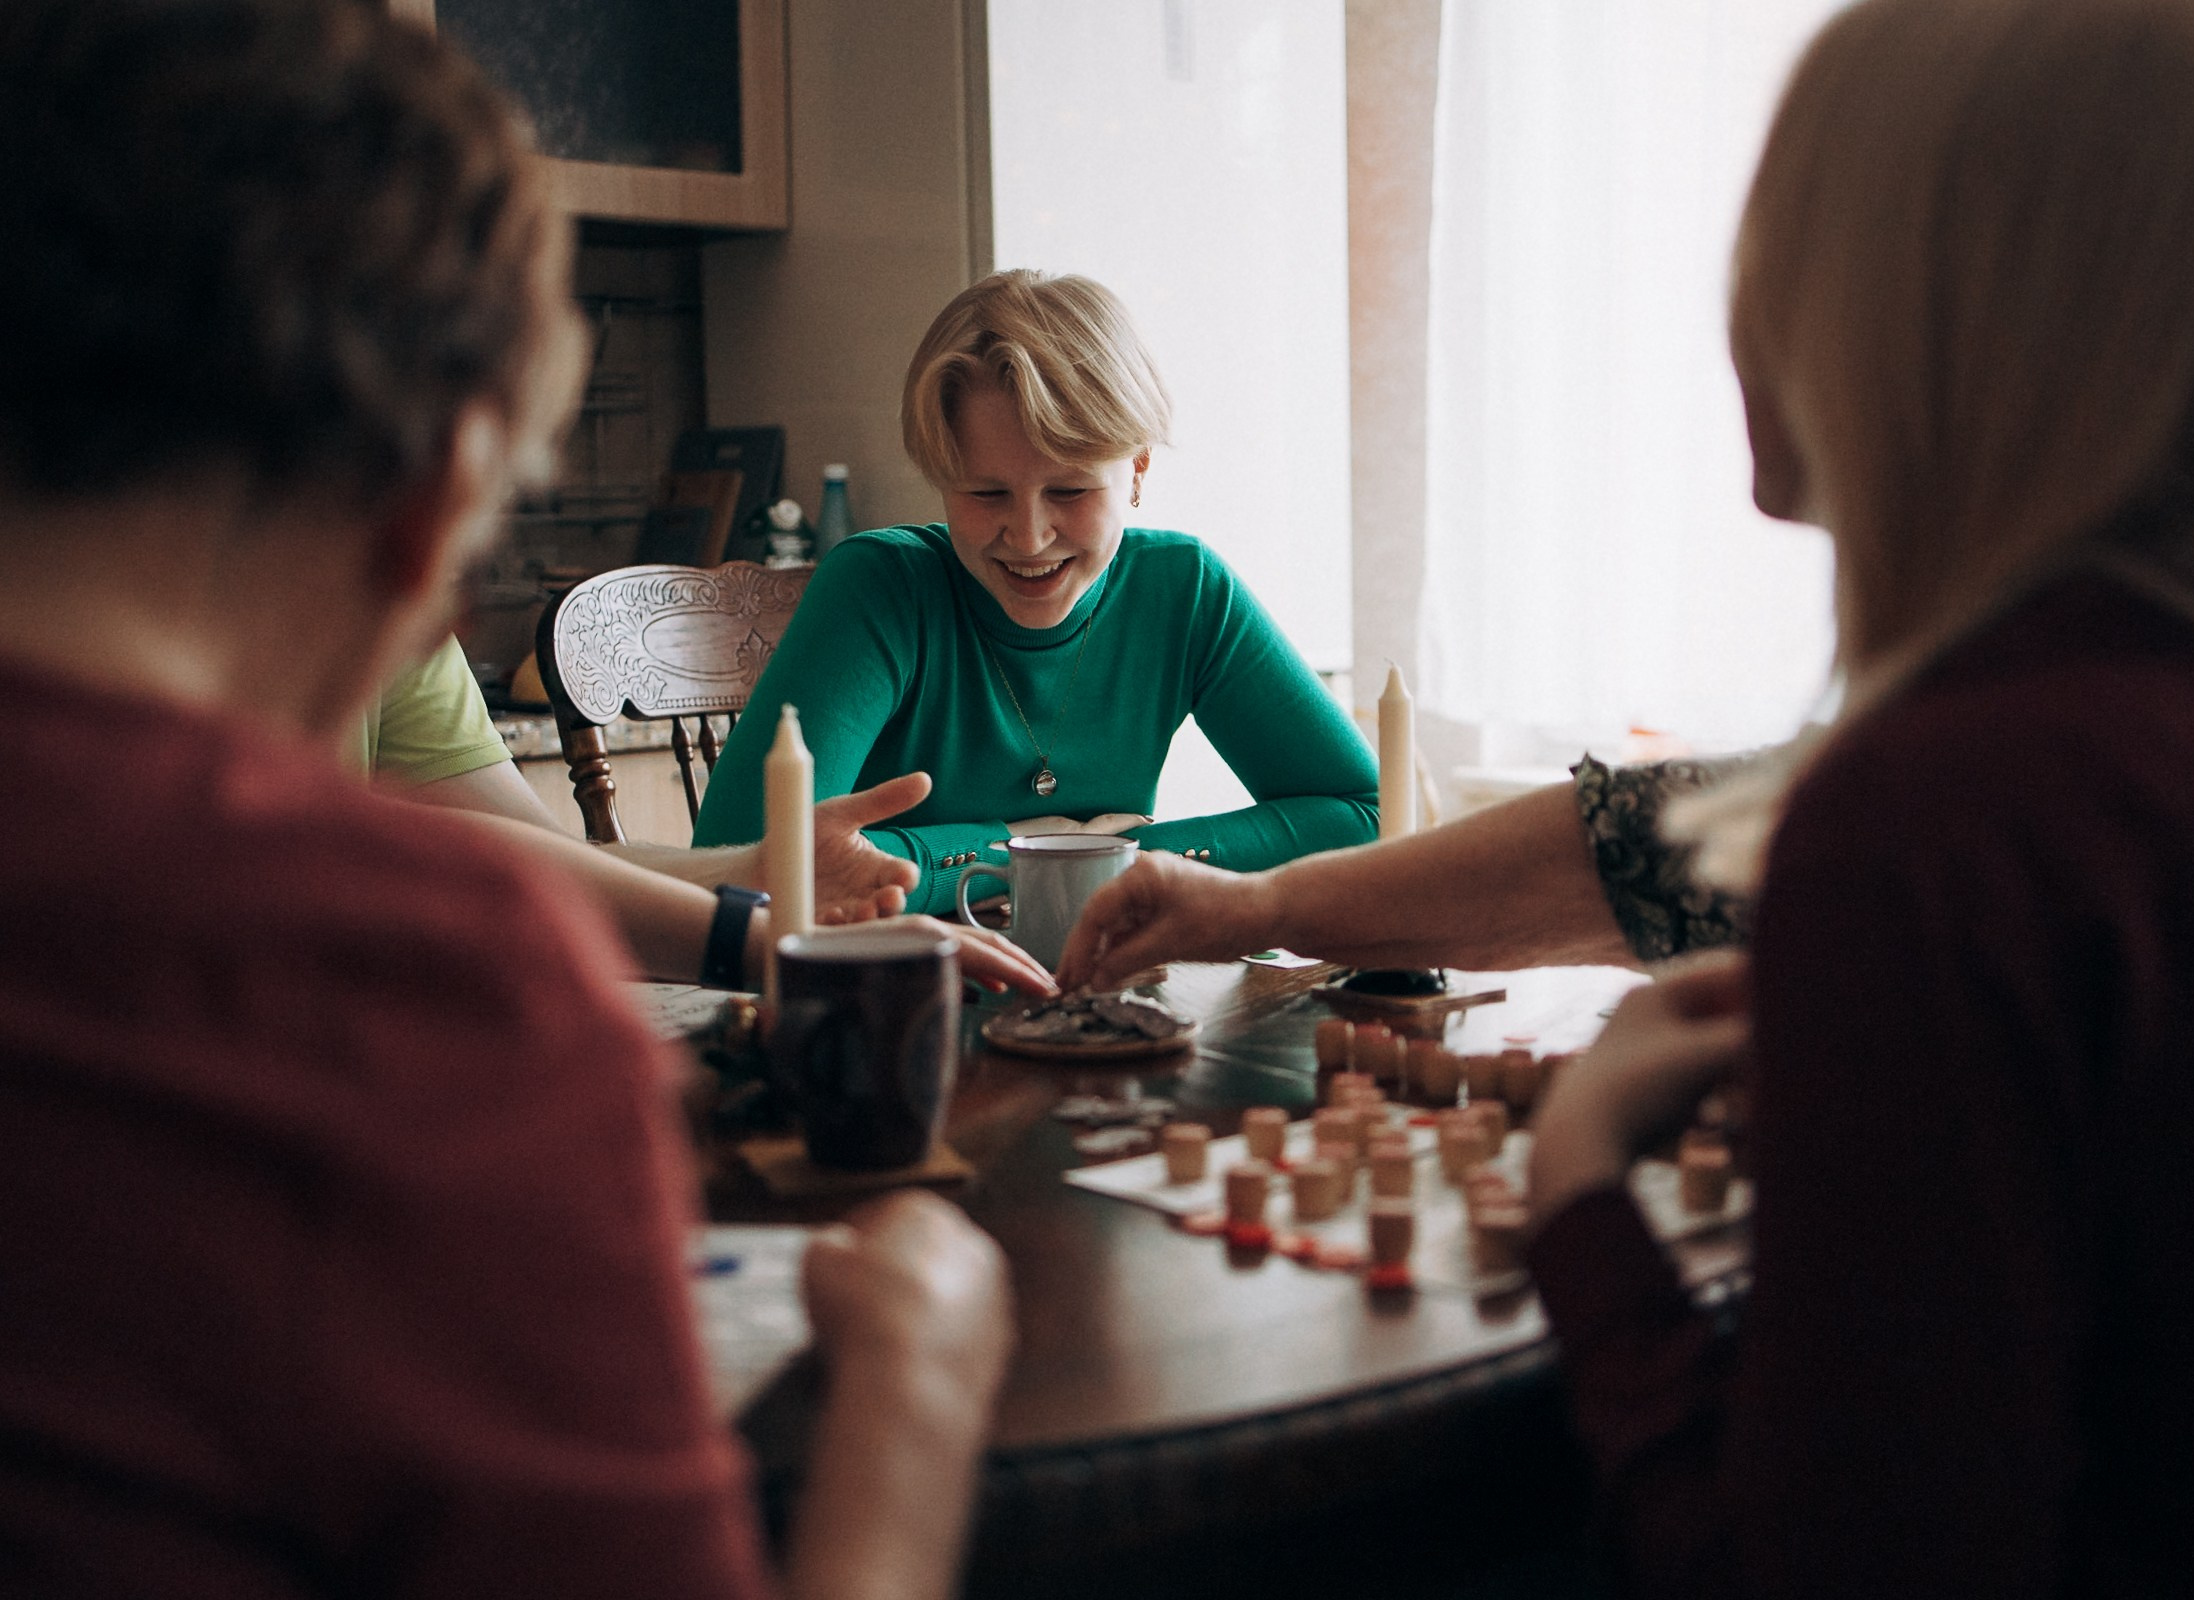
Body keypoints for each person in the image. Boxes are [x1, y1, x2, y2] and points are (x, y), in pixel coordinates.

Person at [1061, 0, 2194, 1592]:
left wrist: (1578, 1206)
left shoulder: (1948, 817)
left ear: (1903, 325)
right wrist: (1271, 905)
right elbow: (1661, 843)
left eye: (1780, 243)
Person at [0, 3, 1012, 1596]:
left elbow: (484, 840)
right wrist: (922, 1377)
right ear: (428, 515)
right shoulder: (414, 997)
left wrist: (745, 898)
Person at [692, 270, 1381, 922]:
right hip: (906, 997)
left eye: (1071, 490)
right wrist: (1035, 847)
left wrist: (1108, 862)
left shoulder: (1185, 589)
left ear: (1137, 469)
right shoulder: (879, 588)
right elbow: (742, 867)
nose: (1028, 537)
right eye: (985, 492)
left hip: (1106, 993)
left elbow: (1367, 815)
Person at [361, 636, 1052, 994]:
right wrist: (775, 950)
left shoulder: (386, 607)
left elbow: (537, 871)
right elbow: (456, 869)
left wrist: (751, 871)